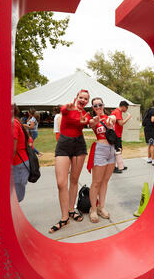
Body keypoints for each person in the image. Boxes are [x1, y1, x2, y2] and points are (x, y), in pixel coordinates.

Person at [49, 90, 91, 233]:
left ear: (87, 101)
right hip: (64, 145)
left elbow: (91, 122)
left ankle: (70, 211)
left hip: (79, 146)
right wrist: (66, 107)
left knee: (74, 180)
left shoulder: (86, 114)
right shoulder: (67, 109)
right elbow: (63, 109)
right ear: (76, 98)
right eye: (81, 97)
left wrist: (93, 122)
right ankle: (64, 217)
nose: (83, 100)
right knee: (61, 183)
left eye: (86, 99)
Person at [87, 97, 117, 223]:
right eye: (95, 105)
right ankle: (93, 209)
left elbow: (114, 119)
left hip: (112, 150)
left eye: (100, 104)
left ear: (104, 105)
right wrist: (96, 119)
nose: (98, 107)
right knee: (96, 182)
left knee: (105, 181)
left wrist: (112, 120)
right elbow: (91, 124)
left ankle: (101, 207)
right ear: (93, 108)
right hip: (100, 149)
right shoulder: (93, 120)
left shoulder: (110, 117)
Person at [12, 103, 29, 202]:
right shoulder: (16, 122)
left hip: (17, 164)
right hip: (20, 163)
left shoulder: (13, 123)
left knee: (15, 199)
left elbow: (12, 149)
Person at [111, 101, 132, 173]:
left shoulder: (117, 111)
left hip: (117, 134)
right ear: (123, 106)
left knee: (119, 150)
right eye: (127, 107)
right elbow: (121, 123)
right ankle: (113, 167)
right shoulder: (117, 112)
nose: (127, 109)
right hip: (116, 134)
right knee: (117, 151)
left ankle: (120, 165)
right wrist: (128, 117)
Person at [143, 100, 154, 166]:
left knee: (149, 144)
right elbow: (153, 119)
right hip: (150, 129)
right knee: (153, 144)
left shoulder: (149, 109)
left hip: (146, 129)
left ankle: (149, 159)